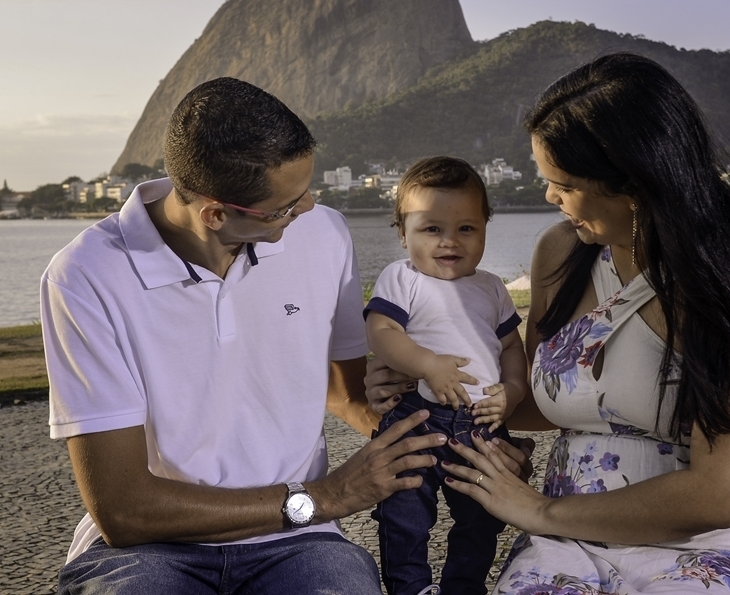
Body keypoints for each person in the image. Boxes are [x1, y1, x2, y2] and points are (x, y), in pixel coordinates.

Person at [376, 53, 730, 594]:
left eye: (564, 183)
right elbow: (535, 399)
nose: (550, 198)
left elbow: (717, 496)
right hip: (567, 543)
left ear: (632, 183)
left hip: (701, 542)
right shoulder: (562, 253)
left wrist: (539, 510)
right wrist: (419, 379)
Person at [40, 77, 447, 595]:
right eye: (287, 204)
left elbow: (344, 391)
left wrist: (451, 441)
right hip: (148, 552)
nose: (308, 207)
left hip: (301, 543)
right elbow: (124, 510)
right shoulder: (84, 275)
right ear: (214, 214)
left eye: (307, 190)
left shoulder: (324, 232)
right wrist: (325, 497)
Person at [365, 156, 528, 595]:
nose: (449, 242)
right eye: (431, 229)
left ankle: (464, 586)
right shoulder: (402, 278)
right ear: (403, 234)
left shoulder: (492, 287)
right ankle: (410, 587)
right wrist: (426, 364)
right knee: (403, 514)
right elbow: (382, 333)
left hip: (481, 422)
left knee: (483, 515)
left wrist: (512, 391)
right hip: (416, 416)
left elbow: (512, 347)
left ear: (485, 229)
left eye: (466, 229)